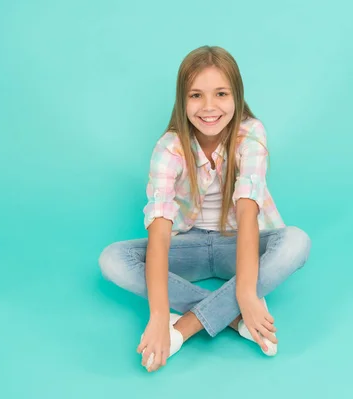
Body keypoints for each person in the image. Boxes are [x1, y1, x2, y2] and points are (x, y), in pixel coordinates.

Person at [98, 45, 311, 373]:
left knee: (296, 242)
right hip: (190, 246)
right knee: (112, 259)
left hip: (240, 243)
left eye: (221, 93)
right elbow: (159, 236)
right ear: (182, 100)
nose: (209, 107)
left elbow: (247, 212)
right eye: (196, 95)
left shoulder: (251, 134)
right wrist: (157, 316)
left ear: (237, 96)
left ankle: (187, 325)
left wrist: (244, 290)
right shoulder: (168, 149)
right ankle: (235, 317)